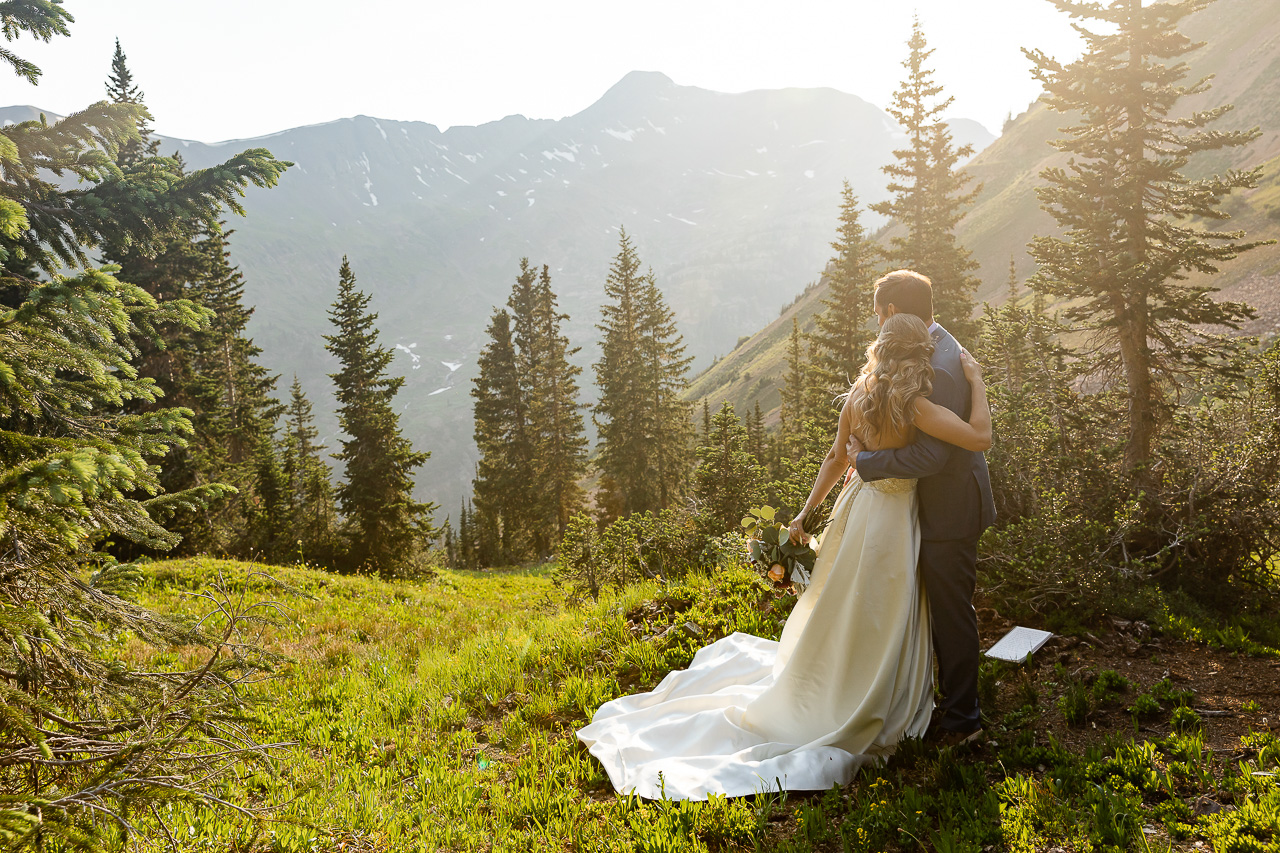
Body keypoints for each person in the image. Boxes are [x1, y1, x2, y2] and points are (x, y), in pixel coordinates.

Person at [576, 299, 992, 801]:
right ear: (918, 356)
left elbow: (838, 458)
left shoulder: (858, 396)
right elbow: (978, 437)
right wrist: (975, 380)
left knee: (845, 597)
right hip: (896, 518)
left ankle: (840, 673)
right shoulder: (917, 406)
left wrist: (804, 513)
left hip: (855, 508)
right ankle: (884, 689)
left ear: (881, 349)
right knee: (890, 603)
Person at [846, 269, 996, 745]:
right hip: (936, 505)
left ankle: (962, 717)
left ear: (893, 313)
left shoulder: (943, 367)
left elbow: (933, 455)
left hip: (950, 508)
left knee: (951, 610)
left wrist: (865, 460)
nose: (876, 326)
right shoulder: (935, 347)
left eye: (877, 316)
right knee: (939, 606)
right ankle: (940, 699)